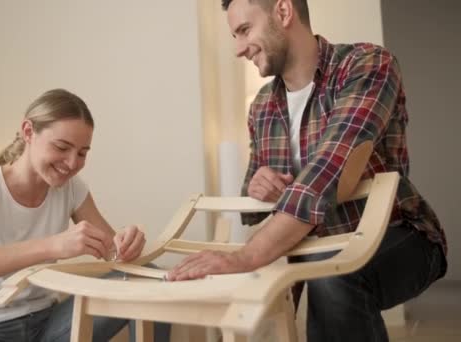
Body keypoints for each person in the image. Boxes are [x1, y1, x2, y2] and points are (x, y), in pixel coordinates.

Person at [167, 0, 448, 341]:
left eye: (244, 30)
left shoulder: (367, 64)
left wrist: (248, 255)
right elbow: (251, 199)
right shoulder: (261, 108)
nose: (238, 49)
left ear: (283, 12)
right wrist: (258, 184)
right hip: (311, 245)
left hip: (399, 233)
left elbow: (331, 169)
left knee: (331, 275)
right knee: (307, 278)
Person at [0, 89, 170, 341]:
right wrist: (50, 246)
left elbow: (114, 254)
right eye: (62, 147)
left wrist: (127, 245)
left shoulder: (72, 188)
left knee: (145, 279)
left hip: (48, 324)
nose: (72, 163)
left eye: (82, 153)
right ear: (28, 132)